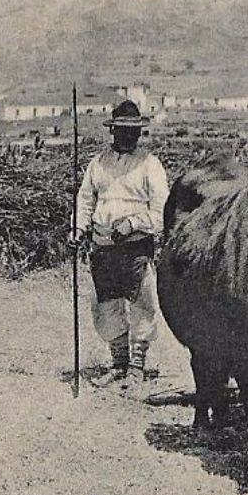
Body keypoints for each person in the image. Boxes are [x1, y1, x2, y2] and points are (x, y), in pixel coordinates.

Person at [72, 98, 170, 388]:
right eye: (122, 130)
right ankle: (118, 364)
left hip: (135, 248)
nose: (128, 136)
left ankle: (137, 367)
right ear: (113, 131)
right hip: (103, 247)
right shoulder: (98, 163)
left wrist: (133, 224)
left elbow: (161, 211)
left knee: (142, 304)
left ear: (139, 133)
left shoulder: (150, 165)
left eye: (133, 131)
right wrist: (78, 227)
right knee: (107, 304)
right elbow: (85, 199)